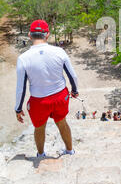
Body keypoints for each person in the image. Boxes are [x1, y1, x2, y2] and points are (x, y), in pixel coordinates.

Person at [15, 20, 78, 158]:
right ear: (47, 34)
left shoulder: (23, 58)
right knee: (62, 123)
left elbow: (21, 88)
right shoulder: (59, 51)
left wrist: (18, 109)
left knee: (39, 127)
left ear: (30, 35)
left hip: (39, 100)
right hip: (60, 96)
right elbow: (72, 75)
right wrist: (74, 91)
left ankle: (41, 154)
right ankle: (69, 151)